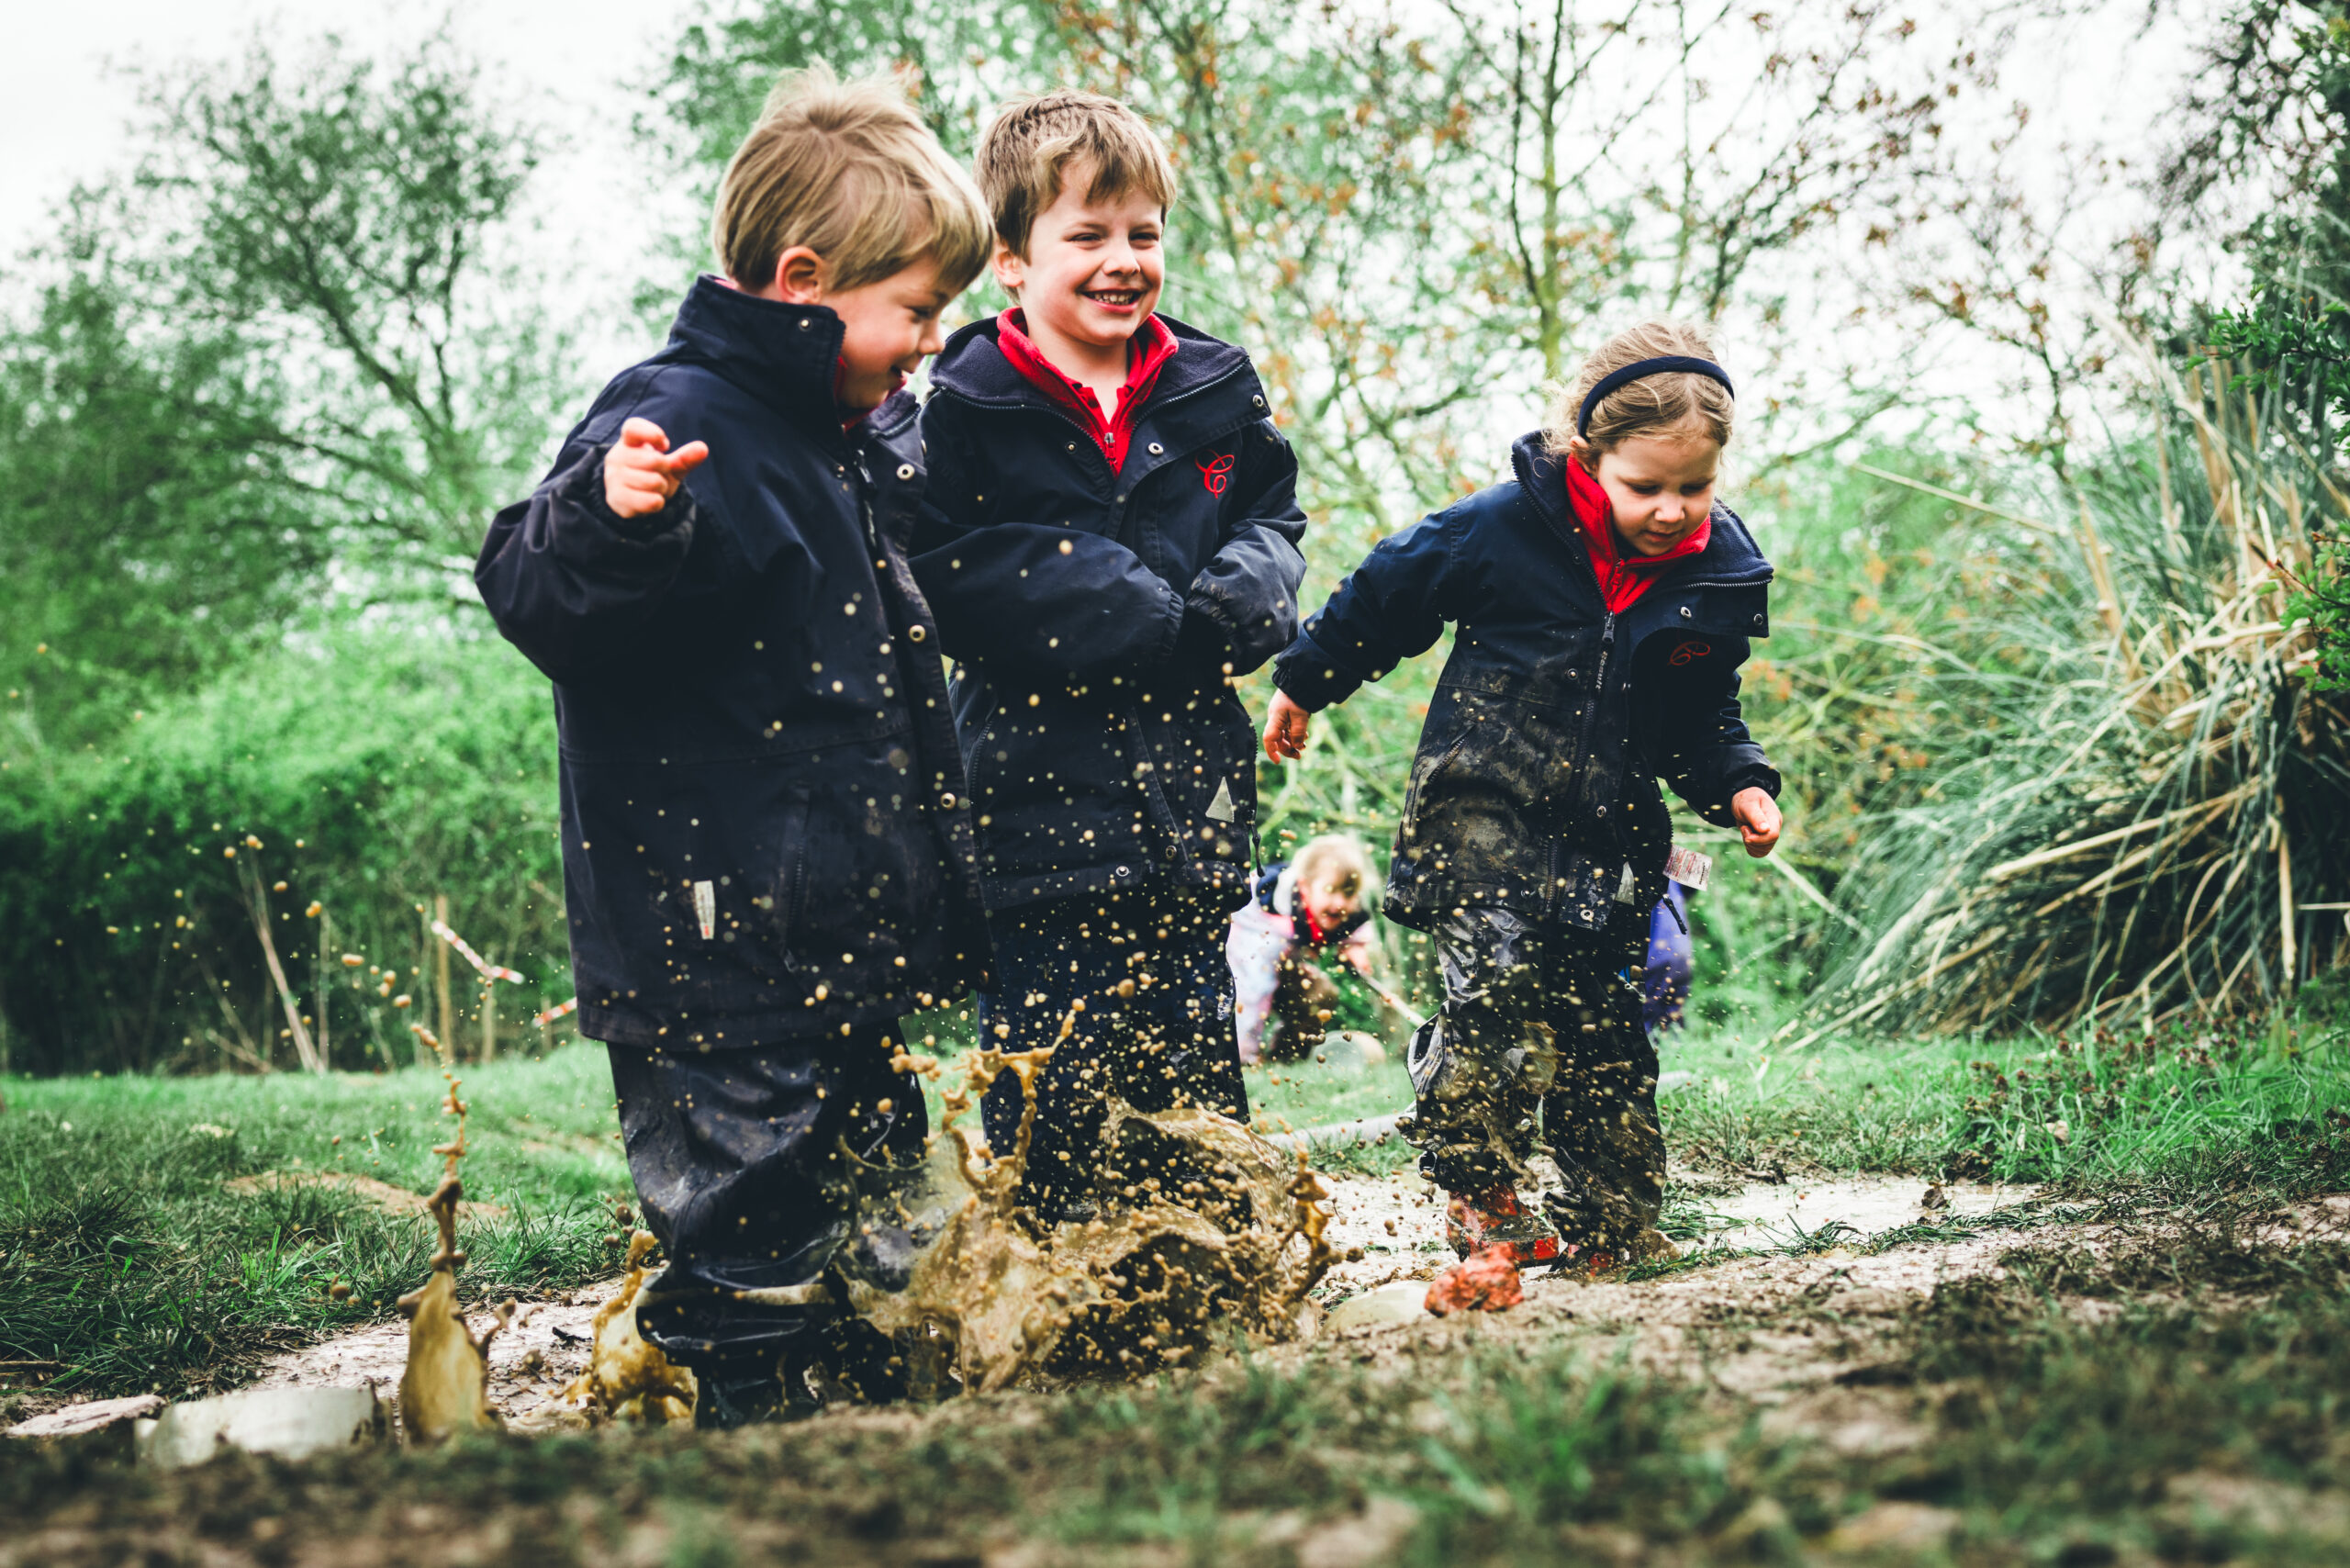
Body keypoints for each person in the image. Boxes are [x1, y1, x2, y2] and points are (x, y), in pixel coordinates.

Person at [475, 67, 994, 1426]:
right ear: (806, 277)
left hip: (836, 928)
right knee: (752, 1208)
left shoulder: (837, 441)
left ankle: (888, 1372)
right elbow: (536, 590)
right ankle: (753, 1410)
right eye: (919, 311)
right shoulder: (677, 414)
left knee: (895, 1205)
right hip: (708, 936)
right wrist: (614, 513)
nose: (934, 341)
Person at [1261, 319, 1785, 1274]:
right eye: (1646, 487)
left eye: (1695, 487)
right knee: (1496, 999)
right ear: (1589, 458)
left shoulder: (1713, 573)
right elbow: (1386, 593)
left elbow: (1704, 710)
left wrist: (1739, 781)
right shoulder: (1500, 528)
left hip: (1613, 834)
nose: (1673, 511)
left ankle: (1612, 1218)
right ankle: (1481, 1195)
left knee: (1601, 1032)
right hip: (1481, 809)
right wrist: (1306, 678)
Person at [911, 90, 1307, 1223]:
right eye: (1085, 236)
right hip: (1034, 810)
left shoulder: (1215, 392)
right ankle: (1052, 1284)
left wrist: (1247, 592)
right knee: (1053, 1093)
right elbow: (940, 562)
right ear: (1008, 259)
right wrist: (1112, 599)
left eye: (1142, 232)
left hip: (1191, 800)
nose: (1120, 260)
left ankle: (1215, 1269)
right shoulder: (961, 410)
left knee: (1191, 1066)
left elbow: (1273, 522)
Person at [1228, 834, 1382, 1064]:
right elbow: (1251, 989)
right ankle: (1242, 1055)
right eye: (1330, 890)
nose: (1339, 903)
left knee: (1320, 993)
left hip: (1286, 961)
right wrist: (1244, 1052)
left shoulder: (1350, 913)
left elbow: (1357, 928)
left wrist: (1355, 948)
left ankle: (1287, 1057)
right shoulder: (1272, 905)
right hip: (1246, 955)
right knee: (1257, 986)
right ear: (1305, 888)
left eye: (1348, 893)